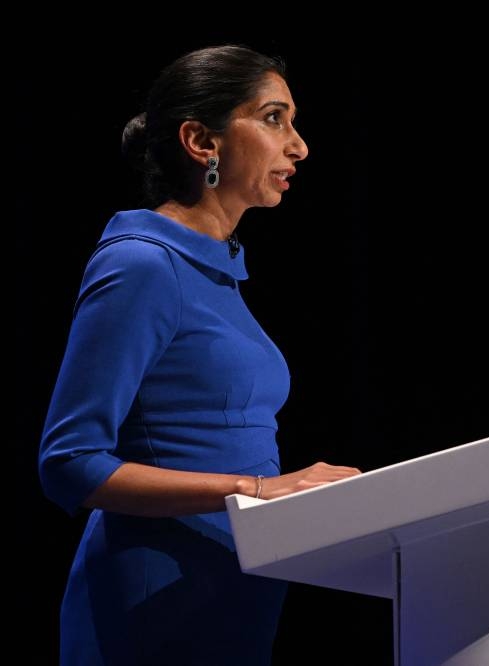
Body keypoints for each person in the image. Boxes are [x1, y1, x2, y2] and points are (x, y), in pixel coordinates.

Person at [38, 45, 361, 665]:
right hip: (155, 598)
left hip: (229, 586)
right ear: (200, 140)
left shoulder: (217, 273)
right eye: (274, 119)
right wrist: (259, 490)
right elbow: (69, 461)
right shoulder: (141, 265)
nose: (299, 146)